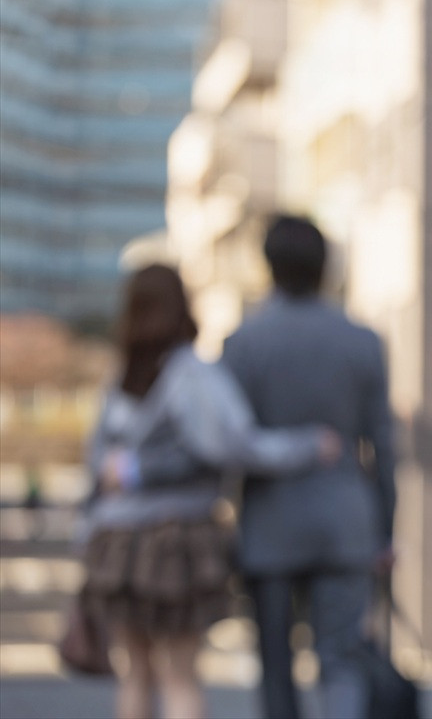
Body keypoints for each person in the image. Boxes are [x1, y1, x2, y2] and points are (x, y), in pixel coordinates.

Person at [82, 264, 339, 719]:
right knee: (179, 675)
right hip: (173, 542)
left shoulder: (117, 378)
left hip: (114, 544)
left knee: (137, 674)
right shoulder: (191, 374)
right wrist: (308, 445)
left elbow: (97, 468)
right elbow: (235, 447)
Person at [222, 215, 397, 719]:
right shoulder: (362, 340)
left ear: (268, 267)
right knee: (342, 663)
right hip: (346, 524)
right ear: (326, 267)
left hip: (268, 525)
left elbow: (233, 445)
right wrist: (385, 532)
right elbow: (383, 446)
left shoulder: (243, 344)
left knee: (275, 669)